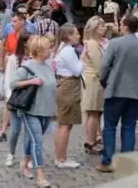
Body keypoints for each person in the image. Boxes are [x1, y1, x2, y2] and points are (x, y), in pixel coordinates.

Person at [97, 15, 138, 173]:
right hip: (137, 91)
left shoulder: (115, 44)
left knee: (109, 126)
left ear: (125, 26)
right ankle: (126, 162)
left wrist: (104, 81)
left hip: (116, 88)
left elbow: (104, 65)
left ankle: (107, 161)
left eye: (121, 24)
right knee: (128, 126)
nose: (119, 26)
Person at [10, 36, 56, 188]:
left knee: (32, 139)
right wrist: (30, 81)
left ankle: (24, 162)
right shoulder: (27, 67)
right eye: (48, 48)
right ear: (40, 51)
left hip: (47, 111)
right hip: (31, 111)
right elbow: (13, 83)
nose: (51, 50)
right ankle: (40, 175)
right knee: (37, 141)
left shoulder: (48, 67)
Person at [53, 23, 83, 169]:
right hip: (69, 86)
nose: (79, 35)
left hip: (63, 85)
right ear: (69, 36)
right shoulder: (69, 51)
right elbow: (77, 71)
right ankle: (61, 158)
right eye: (76, 33)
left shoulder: (61, 49)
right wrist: (83, 57)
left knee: (63, 123)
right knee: (65, 124)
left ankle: (60, 156)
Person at [2, 32, 31, 167]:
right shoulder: (14, 59)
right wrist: (9, 97)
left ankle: (27, 156)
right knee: (15, 129)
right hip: (17, 98)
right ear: (25, 43)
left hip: (31, 98)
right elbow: (8, 79)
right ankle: (11, 153)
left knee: (29, 129)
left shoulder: (34, 58)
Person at [81, 16, 107, 155]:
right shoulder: (92, 43)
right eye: (101, 26)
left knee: (94, 112)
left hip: (94, 80)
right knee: (94, 112)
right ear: (94, 29)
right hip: (94, 82)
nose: (104, 28)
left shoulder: (95, 42)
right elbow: (99, 65)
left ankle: (91, 140)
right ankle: (90, 141)